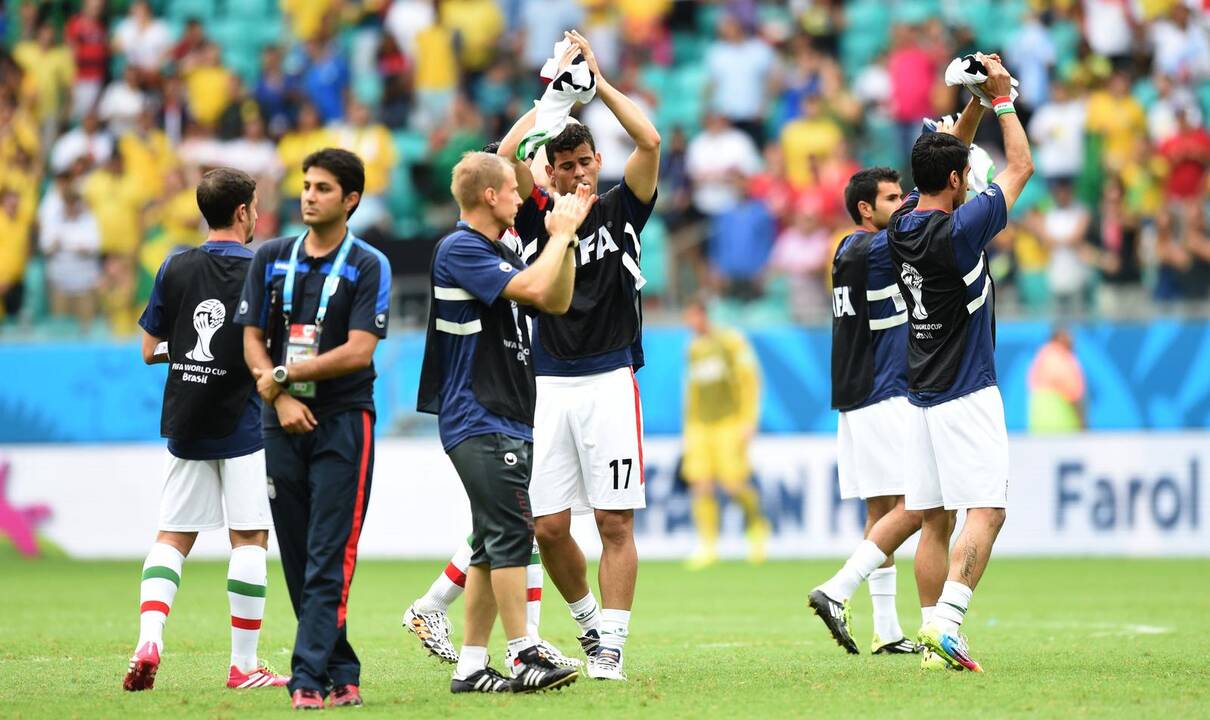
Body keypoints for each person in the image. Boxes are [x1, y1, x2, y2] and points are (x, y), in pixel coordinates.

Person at [498, 30, 661, 681]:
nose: (578, 173)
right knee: (547, 526)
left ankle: (612, 649)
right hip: (547, 384)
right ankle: (589, 624)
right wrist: (552, 104)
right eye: (565, 166)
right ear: (551, 171)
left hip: (609, 380)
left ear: (598, 160)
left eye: (585, 161)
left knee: (616, 521)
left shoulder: (624, 207)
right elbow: (502, 157)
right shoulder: (535, 216)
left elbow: (648, 142)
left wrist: (596, 81)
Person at [418, 152, 594, 693]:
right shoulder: (462, 248)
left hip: (504, 412)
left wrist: (564, 241)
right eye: (513, 192)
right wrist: (560, 233)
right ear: (490, 196)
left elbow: (557, 300)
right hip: (482, 410)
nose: (522, 198)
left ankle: (471, 666)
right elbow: (539, 291)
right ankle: (523, 655)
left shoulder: (497, 252)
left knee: (489, 546)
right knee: (513, 535)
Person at [886, 54, 1034, 672]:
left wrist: (970, 102)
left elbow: (943, 162)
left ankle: (929, 641)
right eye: (965, 176)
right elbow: (1022, 166)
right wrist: (1001, 100)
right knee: (987, 510)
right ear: (956, 182)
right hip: (966, 389)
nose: (972, 181)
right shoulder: (961, 230)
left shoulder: (899, 225)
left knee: (932, 521)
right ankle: (948, 623)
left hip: (921, 390)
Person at [236, 148, 392, 710]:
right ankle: (342, 667)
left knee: (329, 552)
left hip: (344, 420)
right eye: (306, 185)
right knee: (299, 554)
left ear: (350, 200)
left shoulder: (368, 263)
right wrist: (277, 396)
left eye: (323, 188)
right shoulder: (272, 257)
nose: (308, 195)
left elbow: (359, 350)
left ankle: (306, 678)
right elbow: (251, 336)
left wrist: (285, 375)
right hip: (280, 420)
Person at [124, 168, 288, 693]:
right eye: (255, 206)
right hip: (243, 424)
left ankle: (149, 638)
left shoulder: (175, 265)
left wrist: (196, 357)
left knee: (173, 536)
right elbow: (275, 354)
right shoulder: (265, 269)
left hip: (187, 422)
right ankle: (243, 665)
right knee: (249, 538)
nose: (258, 214)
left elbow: (149, 350)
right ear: (242, 212)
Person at [807, 166, 924, 657]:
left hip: (857, 397)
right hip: (884, 391)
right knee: (917, 507)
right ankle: (837, 589)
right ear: (865, 209)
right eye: (891, 198)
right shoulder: (876, 249)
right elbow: (931, 206)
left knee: (881, 512)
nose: (900, 205)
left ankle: (887, 629)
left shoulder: (846, 247)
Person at [681, 297, 768, 569]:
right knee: (700, 483)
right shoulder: (694, 348)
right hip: (700, 426)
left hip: (729, 422)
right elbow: (692, 391)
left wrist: (748, 419)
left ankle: (757, 526)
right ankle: (708, 545)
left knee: (733, 483)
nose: (689, 323)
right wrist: (688, 426)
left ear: (704, 315)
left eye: (693, 316)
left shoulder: (731, 342)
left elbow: (749, 380)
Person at [1027, 328, 1086, 434]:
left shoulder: (1041, 356)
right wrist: (1083, 422)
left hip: (1038, 426)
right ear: (1059, 338)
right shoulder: (1061, 358)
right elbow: (1074, 393)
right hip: (1062, 426)